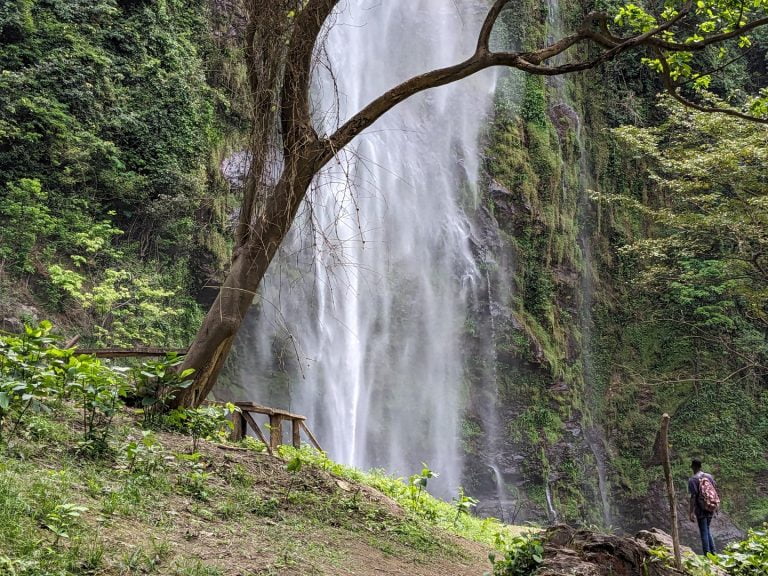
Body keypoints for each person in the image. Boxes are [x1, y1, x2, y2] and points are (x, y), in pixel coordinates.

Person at [688, 459, 717, 555]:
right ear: (700, 466)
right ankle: (713, 553)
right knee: (707, 529)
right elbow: (713, 491)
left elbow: (693, 496)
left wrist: (691, 512)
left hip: (700, 509)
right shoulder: (709, 476)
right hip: (710, 506)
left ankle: (707, 554)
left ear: (693, 467)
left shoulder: (693, 480)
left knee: (704, 531)